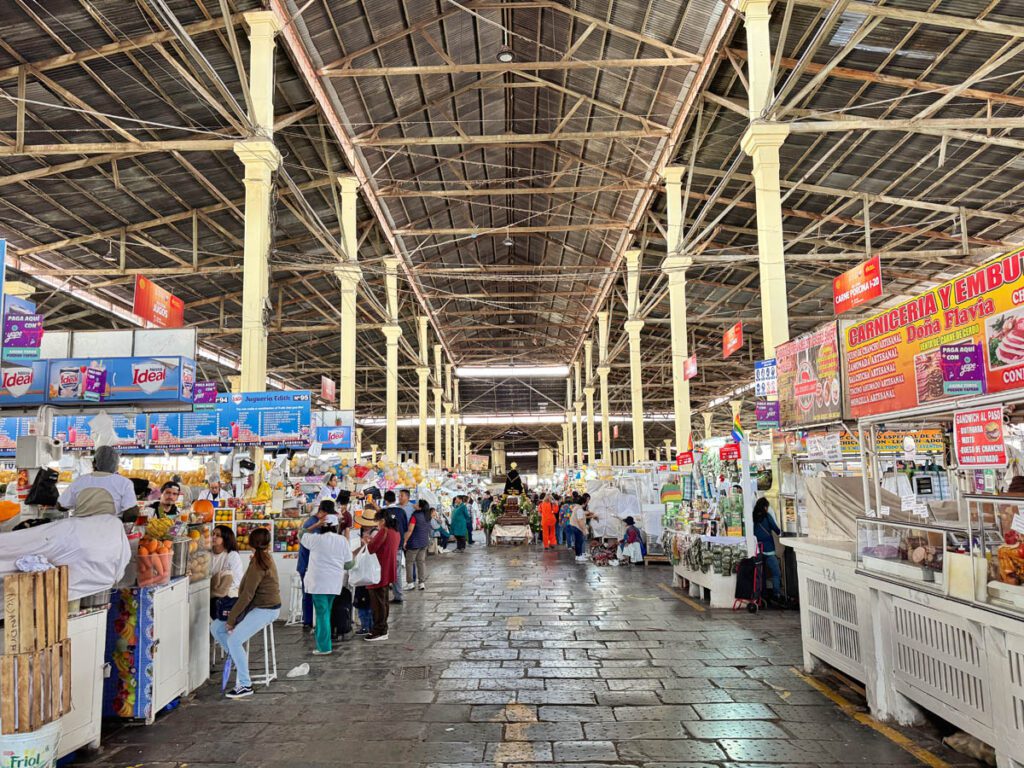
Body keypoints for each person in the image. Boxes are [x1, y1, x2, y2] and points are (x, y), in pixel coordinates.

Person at [210, 527, 280, 698]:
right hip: (255, 606)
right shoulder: (260, 559)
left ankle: (245, 684)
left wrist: (232, 619)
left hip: (266, 609)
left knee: (233, 640)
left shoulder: (258, 563)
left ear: (250, 544)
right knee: (216, 627)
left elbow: (247, 595)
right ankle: (237, 657)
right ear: (268, 544)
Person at [300, 511, 353, 655]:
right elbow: (349, 564)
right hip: (333, 583)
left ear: (322, 527)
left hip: (317, 583)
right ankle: (324, 642)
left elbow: (301, 534)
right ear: (336, 527)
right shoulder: (342, 541)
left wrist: (315, 525)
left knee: (322, 614)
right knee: (326, 612)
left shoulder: (315, 539)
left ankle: (324, 647)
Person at [57, 445, 139, 520]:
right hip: (111, 530)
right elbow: (132, 513)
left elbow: (61, 506)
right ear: (116, 466)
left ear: (93, 463)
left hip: (81, 531)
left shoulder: (80, 481)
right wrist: (120, 521)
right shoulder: (124, 483)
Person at [365, 509, 400, 641]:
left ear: (383, 521)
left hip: (378, 571)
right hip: (387, 570)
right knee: (383, 601)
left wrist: (368, 541)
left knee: (378, 603)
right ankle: (383, 627)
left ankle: (379, 630)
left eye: (378, 521)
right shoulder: (395, 532)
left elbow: (371, 549)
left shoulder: (384, 531)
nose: (377, 524)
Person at [296, 500, 330, 631]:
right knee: (308, 593)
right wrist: (318, 524)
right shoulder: (312, 522)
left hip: (314, 565)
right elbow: (302, 535)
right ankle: (308, 621)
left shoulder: (319, 523)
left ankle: (312, 620)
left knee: (313, 593)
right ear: (322, 512)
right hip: (306, 565)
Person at [209, 525, 244, 617]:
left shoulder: (232, 555)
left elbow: (237, 580)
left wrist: (221, 585)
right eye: (213, 534)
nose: (214, 537)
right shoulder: (208, 554)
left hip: (228, 596)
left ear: (225, 538)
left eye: (218, 535)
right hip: (211, 593)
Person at [753, 497, 783, 602]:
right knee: (776, 573)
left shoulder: (753, 518)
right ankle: (776, 594)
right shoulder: (767, 517)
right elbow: (776, 529)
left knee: (762, 574)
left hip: (758, 550)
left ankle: (762, 594)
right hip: (769, 549)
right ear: (765, 507)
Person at [403, 499, 431, 590]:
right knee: (421, 562)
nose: (415, 504)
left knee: (409, 563)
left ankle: (410, 583)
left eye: (417, 503)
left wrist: (404, 541)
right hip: (424, 542)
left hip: (414, 543)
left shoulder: (415, 516)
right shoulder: (427, 516)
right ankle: (421, 583)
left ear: (420, 507)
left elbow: (410, 530)